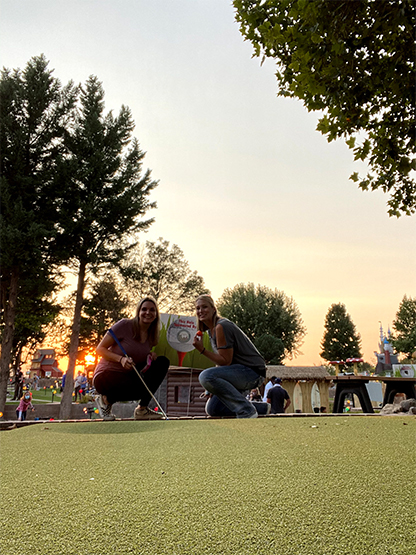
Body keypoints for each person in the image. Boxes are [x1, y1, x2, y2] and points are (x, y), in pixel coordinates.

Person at [93, 296, 170, 420]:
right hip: (106, 376)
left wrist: (149, 357)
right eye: (144, 309)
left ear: (156, 314)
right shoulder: (124, 325)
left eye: (152, 310)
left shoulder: (152, 336)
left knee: (162, 362)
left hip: (128, 376)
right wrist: (120, 359)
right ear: (138, 312)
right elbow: (99, 349)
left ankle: (142, 410)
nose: (148, 313)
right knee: (139, 389)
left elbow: (138, 356)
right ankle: (105, 399)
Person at [193, 295, 266, 419]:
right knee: (213, 409)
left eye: (204, 307)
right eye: (198, 308)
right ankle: (262, 408)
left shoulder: (221, 326)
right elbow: (222, 363)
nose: (201, 311)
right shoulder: (211, 330)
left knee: (205, 376)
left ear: (213, 309)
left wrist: (202, 350)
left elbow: (225, 361)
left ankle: (247, 411)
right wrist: (210, 389)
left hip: (252, 372)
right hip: (238, 372)